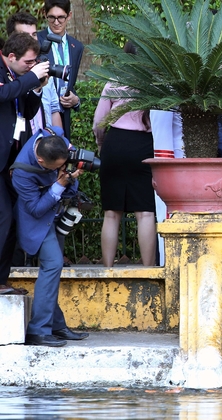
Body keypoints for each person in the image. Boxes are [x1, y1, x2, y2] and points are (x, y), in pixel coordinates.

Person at [12, 130, 89, 346]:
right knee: (53, 264)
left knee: (53, 272)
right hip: (36, 223)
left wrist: (68, 178)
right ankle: (38, 330)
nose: (59, 170)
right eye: (54, 168)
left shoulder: (54, 139)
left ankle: (56, 325)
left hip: (55, 215)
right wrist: (59, 185)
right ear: (40, 160)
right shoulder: (21, 173)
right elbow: (35, 209)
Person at [93, 43, 156, 267]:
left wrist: (102, 146)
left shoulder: (115, 82)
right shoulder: (156, 85)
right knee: (146, 213)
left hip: (115, 143)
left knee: (111, 213)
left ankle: (108, 269)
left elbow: (98, 123)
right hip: (143, 145)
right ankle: (149, 270)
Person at [0, 33, 49, 295]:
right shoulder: (3, 73)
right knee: (4, 217)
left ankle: (2, 280)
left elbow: (27, 112)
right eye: (28, 62)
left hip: (11, 162)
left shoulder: (20, 77)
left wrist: (37, 86)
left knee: (12, 222)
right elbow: (3, 94)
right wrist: (30, 78)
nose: (32, 67)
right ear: (11, 57)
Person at [7, 12, 63, 133]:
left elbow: (53, 109)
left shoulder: (41, 66)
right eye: (25, 36)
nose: (31, 40)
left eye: (34, 35)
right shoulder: (8, 72)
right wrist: (31, 77)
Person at [37, 0, 84, 139]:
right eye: (52, 17)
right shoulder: (36, 40)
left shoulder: (77, 46)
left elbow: (71, 83)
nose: (56, 22)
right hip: (42, 111)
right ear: (45, 15)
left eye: (61, 17)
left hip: (64, 112)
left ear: (69, 16)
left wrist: (75, 100)